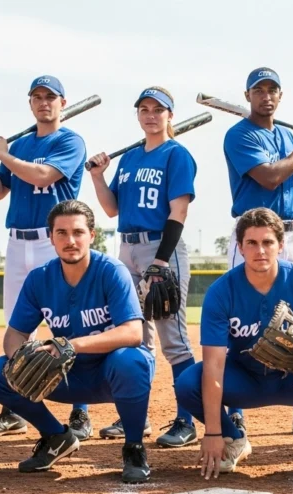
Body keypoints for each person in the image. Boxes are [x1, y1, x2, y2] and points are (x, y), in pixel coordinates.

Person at [174, 208, 293, 479]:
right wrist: (213, 432)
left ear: (281, 246)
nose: (260, 250)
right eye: (252, 243)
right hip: (246, 379)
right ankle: (233, 439)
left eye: (268, 242)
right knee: (188, 383)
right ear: (240, 248)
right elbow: (213, 364)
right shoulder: (222, 291)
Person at [0, 200, 155, 483]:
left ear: (92, 235)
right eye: (61, 233)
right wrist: (24, 356)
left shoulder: (112, 271)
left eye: (77, 232)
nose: (70, 240)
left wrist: (73, 345)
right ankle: (56, 437)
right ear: (51, 237)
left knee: (131, 360)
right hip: (65, 374)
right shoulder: (40, 278)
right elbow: (15, 334)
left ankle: (134, 447)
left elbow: (132, 333)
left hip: (109, 372)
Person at [222, 67, 293, 435]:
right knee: (238, 315)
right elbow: (270, 176)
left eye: (272, 90)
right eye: (259, 90)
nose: (266, 96)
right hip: (252, 233)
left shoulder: (286, 135)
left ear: (280, 96)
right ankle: (234, 406)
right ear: (248, 96)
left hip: (291, 232)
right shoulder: (239, 134)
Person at [0, 75, 89, 439]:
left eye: (51, 97)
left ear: (62, 103)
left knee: (66, 325)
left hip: (52, 240)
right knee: (17, 324)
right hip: (17, 240)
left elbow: (44, 173)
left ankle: (79, 411)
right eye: (37, 97)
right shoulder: (22, 143)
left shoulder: (70, 141)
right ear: (30, 104)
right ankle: (14, 406)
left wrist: (5, 154)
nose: (44, 103)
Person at [87, 86, 198, 448]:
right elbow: (110, 209)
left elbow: (178, 211)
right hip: (127, 247)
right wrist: (98, 176)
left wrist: (161, 262)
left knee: (173, 339)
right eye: (144, 109)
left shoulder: (176, 154)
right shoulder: (131, 158)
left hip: (160, 246)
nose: (151, 115)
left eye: (158, 109)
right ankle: (135, 415)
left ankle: (186, 420)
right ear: (138, 115)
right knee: (137, 336)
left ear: (170, 116)